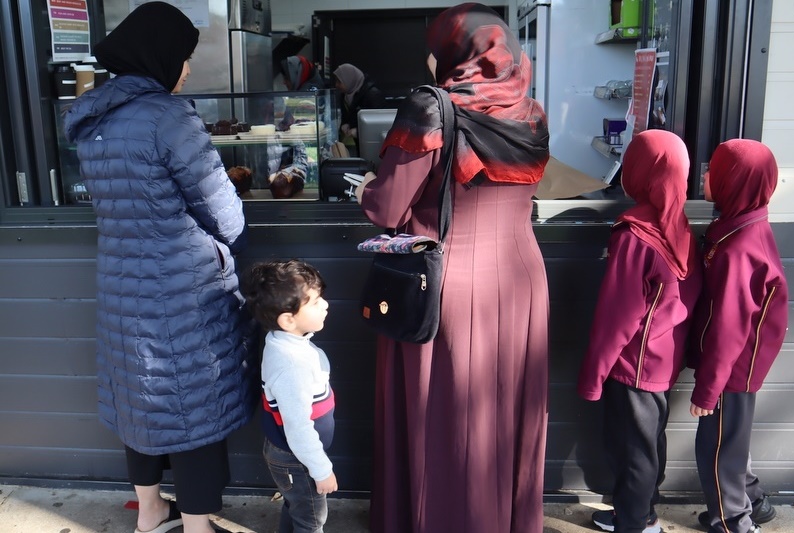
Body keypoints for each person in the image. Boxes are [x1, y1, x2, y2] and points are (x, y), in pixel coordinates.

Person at [355, 4, 550, 532]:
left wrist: (364, 189)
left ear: (447, 51)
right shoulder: (531, 110)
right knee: (505, 408)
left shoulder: (429, 107)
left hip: (451, 282)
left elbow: (385, 207)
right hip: (521, 275)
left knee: (445, 412)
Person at [64, 3, 257, 533]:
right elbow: (224, 213)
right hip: (181, 288)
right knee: (193, 402)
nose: (188, 69)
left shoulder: (91, 119)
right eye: (185, 58)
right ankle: (197, 527)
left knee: (140, 400)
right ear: (161, 55)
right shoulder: (169, 116)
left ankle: (151, 512)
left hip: (122, 282)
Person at [577, 130, 703, 533]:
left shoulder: (635, 236)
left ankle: (634, 524)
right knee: (649, 445)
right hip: (663, 360)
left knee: (632, 451)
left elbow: (617, 315)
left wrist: (594, 377)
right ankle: (643, 512)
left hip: (633, 364)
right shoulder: (680, 225)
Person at [688, 139, 788, 533]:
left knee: (716, 450)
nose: (705, 175)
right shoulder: (743, 222)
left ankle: (733, 521)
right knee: (733, 439)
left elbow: (729, 325)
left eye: (714, 169)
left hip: (733, 367)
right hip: (741, 362)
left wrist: (707, 390)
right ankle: (756, 501)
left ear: (735, 180)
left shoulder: (739, 248)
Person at [242, 259, 337, 532]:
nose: (326, 305)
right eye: (316, 301)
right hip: (296, 458)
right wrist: (321, 470)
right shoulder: (291, 365)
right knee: (311, 520)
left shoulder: (287, 343)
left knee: (297, 508)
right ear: (288, 319)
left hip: (293, 455)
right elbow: (298, 427)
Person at [332, 63, 386, 147]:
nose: (336, 85)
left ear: (349, 79)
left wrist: (359, 131)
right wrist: (345, 124)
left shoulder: (372, 95)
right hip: (356, 143)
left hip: (371, 145)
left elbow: (379, 124)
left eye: (339, 81)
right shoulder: (346, 95)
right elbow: (347, 115)